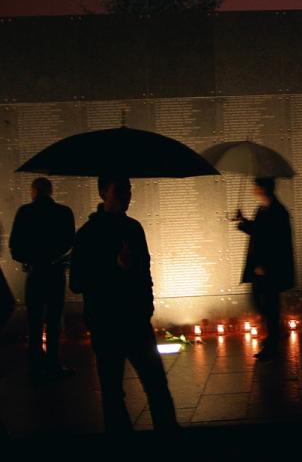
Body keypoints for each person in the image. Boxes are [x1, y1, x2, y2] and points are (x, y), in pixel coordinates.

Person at [70, 176, 178, 433]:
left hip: (134, 318)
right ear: (102, 193)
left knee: (154, 384)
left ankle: (165, 436)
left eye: (128, 190)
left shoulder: (133, 228)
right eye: (120, 190)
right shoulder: (88, 234)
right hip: (107, 321)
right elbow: (77, 282)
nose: (127, 196)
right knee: (116, 389)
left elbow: (144, 270)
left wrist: (147, 304)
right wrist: (114, 266)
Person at [9, 177, 75, 379]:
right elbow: (69, 243)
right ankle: (53, 364)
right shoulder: (64, 213)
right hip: (55, 273)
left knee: (34, 321)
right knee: (54, 321)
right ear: (51, 191)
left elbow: (15, 247)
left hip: (35, 273)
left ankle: (35, 366)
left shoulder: (25, 213)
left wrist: (30, 259)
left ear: (34, 191)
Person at [236, 177, 295, 361]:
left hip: (269, 269)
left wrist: (265, 266)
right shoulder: (263, 208)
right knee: (261, 303)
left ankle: (272, 344)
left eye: (255, 186)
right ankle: (273, 337)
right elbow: (261, 231)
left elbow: (274, 241)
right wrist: (243, 221)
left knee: (269, 306)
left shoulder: (277, 211)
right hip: (260, 267)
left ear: (263, 189)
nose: (253, 189)